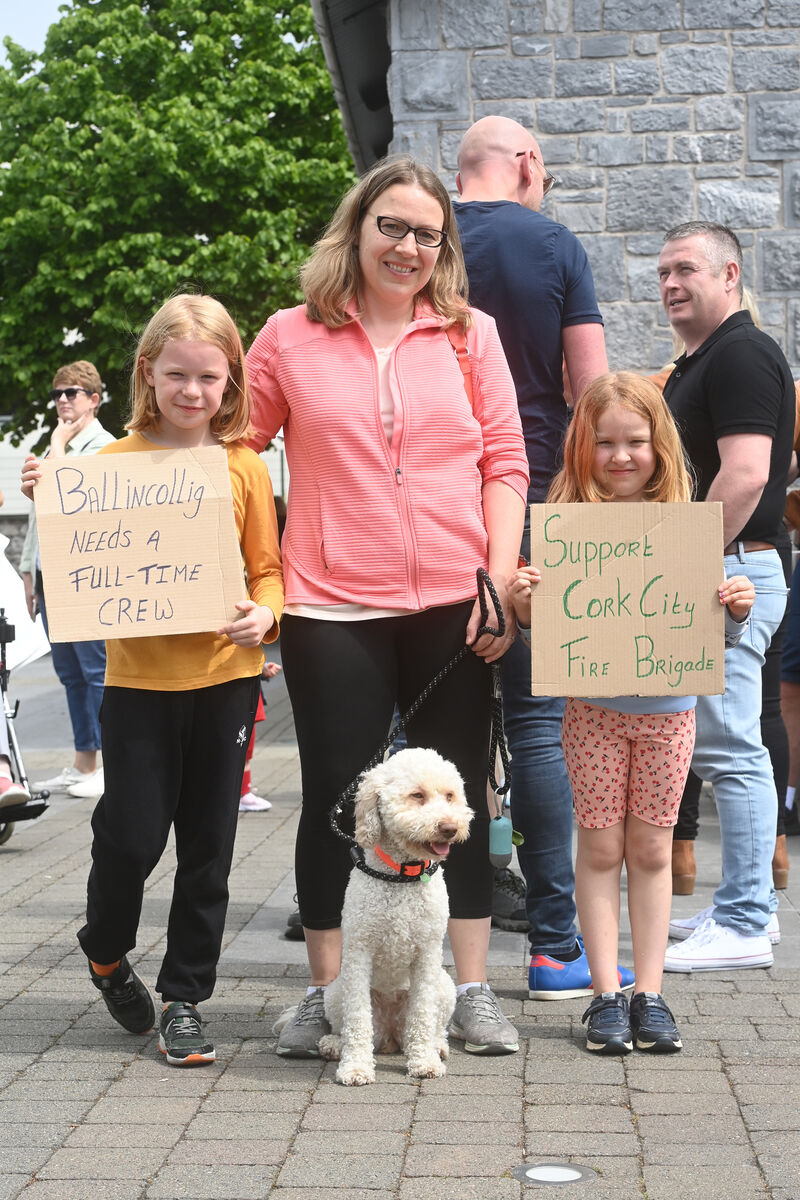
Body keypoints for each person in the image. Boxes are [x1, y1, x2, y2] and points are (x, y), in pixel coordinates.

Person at [246, 154, 529, 1057]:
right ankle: (330, 999)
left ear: (443, 247)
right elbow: (231, 455)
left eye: (426, 234)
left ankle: (471, 988)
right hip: (331, 605)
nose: (408, 247)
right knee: (338, 797)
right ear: (357, 230)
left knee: (461, 798)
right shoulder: (289, 337)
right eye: (392, 227)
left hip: (457, 601)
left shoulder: (468, 335)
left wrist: (499, 579)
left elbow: (505, 465)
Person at [21, 295, 284, 1066]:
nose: (193, 392)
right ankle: (105, 952)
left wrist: (262, 621)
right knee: (128, 840)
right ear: (148, 373)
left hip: (225, 683)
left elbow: (269, 574)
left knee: (209, 849)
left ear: (231, 380)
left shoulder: (241, 466)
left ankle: (186, 999)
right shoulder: (103, 470)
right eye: (178, 375)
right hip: (137, 689)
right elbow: (76, 571)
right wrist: (45, 496)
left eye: (210, 377)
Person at [509, 372, 755, 1053]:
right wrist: (526, 603)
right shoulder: (566, 528)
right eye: (606, 443)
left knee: (649, 849)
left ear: (660, 446)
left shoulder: (682, 528)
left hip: (669, 717)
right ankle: (604, 997)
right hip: (591, 713)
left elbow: (711, 633)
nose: (621, 456)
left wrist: (735, 609)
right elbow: (541, 632)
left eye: (635, 442)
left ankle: (650, 994)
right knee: (601, 849)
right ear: (583, 448)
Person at [454, 115, 630, 1000]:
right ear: (526, 165)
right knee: (537, 722)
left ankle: (436, 950)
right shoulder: (554, 244)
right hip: (529, 504)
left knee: (431, 721)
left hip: (433, 506)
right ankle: (558, 947)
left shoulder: (413, 238)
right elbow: (592, 392)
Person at [657, 222, 793, 971]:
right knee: (729, 741)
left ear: (730, 274)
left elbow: (743, 475)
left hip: (732, 567)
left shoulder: (739, 353)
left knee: (728, 745)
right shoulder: (705, 359)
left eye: (686, 270)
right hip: (731, 561)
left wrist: (681, 560)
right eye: (663, 274)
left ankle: (743, 921)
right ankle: (751, 906)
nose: (671, 284)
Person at [20, 362, 115, 800]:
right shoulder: (58, 447)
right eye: (58, 392)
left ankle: (106, 767)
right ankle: (83, 763)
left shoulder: (103, 447)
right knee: (71, 674)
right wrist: (28, 571)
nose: (62, 399)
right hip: (50, 574)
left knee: (96, 672)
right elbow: (37, 517)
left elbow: (62, 499)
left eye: (73, 392)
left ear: (94, 399)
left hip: (86, 576)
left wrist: (57, 443)